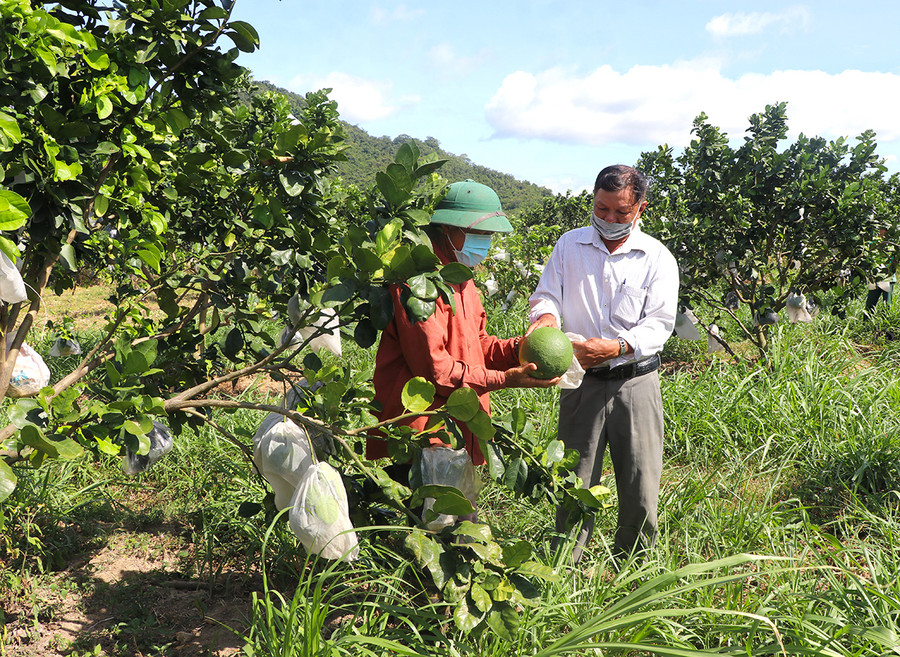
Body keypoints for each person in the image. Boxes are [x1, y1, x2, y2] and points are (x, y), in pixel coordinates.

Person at [528, 165, 679, 563]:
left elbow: (660, 323)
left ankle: (633, 566)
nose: (609, 219)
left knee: (640, 480)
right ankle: (565, 566)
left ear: (640, 208)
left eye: (620, 212)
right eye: (601, 208)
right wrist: (545, 317)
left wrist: (616, 347)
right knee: (574, 480)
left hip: (636, 381)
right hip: (582, 381)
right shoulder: (569, 246)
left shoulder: (656, 258)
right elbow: (547, 296)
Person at [367, 180, 558, 476]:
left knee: (457, 517)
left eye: (488, 235)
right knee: (432, 517)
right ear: (447, 229)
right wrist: (504, 379)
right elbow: (436, 371)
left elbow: (476, 345)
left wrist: (519, 349)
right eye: (478, 233)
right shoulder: (418, 286)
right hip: (425, 431)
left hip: (458, 423)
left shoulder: (461, 278)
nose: (485, 241)